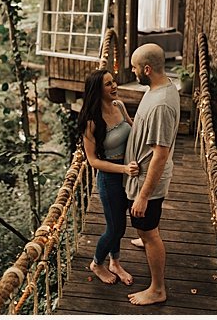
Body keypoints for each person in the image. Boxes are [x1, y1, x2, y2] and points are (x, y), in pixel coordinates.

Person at [124, 43, 179, 306]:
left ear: (147, 69)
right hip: (141, 174)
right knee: (145, 230)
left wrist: (143, 196)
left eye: (135, 67)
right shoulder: (160, 87)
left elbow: (160, 154)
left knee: (150, 234)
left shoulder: (161, 105)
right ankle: (144, 235)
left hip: (149, 181)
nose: (132, 71)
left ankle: (158, 289)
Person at [75, 70, 139, 286]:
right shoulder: (91, 122)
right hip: (110, 179)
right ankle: (97, 263)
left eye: (114, 82)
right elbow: (92, 161)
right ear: (97, 90)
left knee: (120, 222)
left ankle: (115, 262)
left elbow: (133, 129)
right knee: (116, 228)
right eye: (108, 84)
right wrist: (123, 170)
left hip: (129, 173)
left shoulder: (119, 106)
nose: (114, 86)